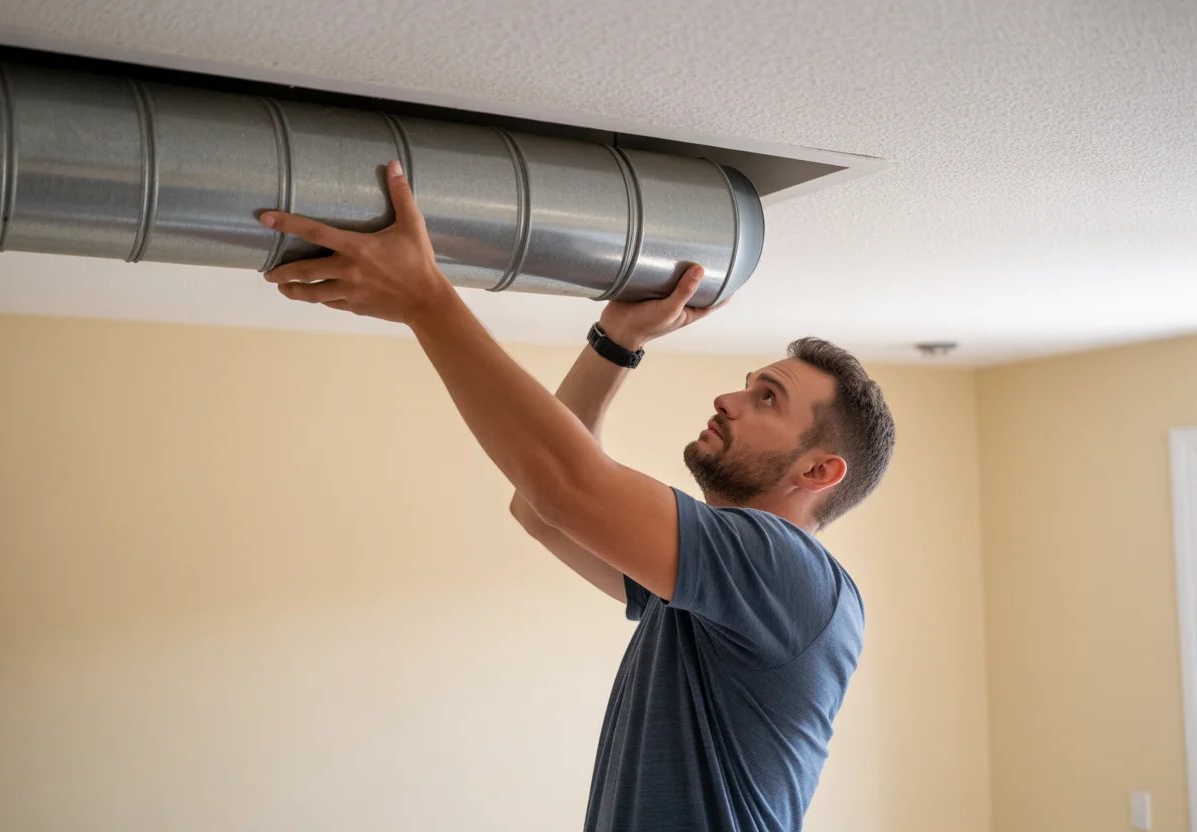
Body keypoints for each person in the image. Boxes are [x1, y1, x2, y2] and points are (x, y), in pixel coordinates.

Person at [259, 160, 896, 831]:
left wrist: (426, 299)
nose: (727, 399)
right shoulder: (724, 591)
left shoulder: (786, 573)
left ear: (819, 471)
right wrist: (617, 341)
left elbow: (565, 489)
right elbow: (542, 508)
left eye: (767, 398)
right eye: (747, 384)